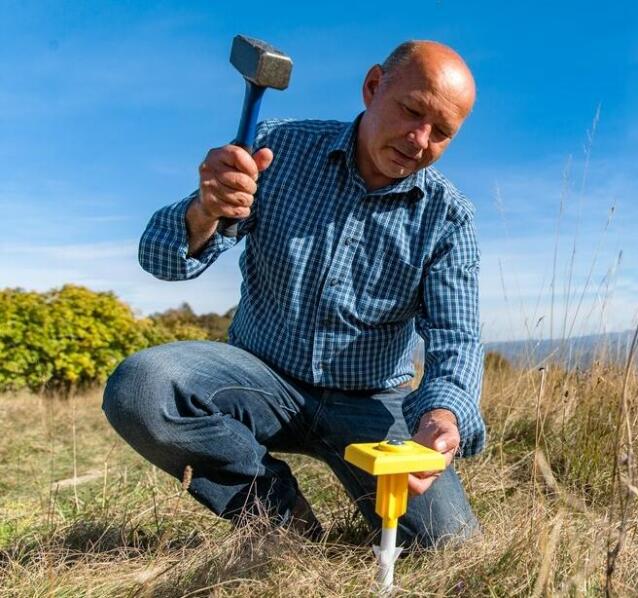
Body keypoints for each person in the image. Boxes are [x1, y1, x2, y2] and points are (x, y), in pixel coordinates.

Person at [102, 40, 484, 549]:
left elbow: (456, 336)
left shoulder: (448, 217)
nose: (419, 140)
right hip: (258, 377)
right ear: (374, 87)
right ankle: (283, 519)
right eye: (412, 111)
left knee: (448, 545)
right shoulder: (276, 151)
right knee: (143, 387)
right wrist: (205, 211)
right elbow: (162, 260)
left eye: (441, 133)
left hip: (372, 401)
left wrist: (442, 417)